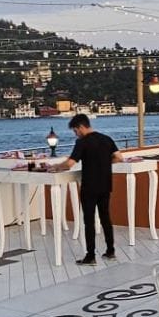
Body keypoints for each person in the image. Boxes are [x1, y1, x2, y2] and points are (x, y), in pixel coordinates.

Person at [54, 114, 118, 265]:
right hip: (105, 184)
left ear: (81, 127)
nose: (76, 134)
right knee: (105, 218)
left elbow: (70, 164)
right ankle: (110, 251)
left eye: (75, 131)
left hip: (89, 186)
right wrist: (104, 162)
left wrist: (55, 167)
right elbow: (119, 157)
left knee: (89, 221)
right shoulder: (106, 139)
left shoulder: (82, 142)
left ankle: (90, 256)